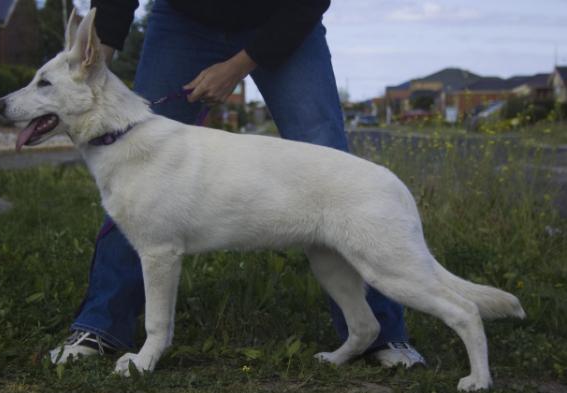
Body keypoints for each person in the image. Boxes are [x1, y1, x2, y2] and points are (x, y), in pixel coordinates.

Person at [51, 0, 425, 368]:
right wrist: (93, 64)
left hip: (282, 16)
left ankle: (379, 333)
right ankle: (101, 325)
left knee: (327, 154)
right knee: (138, 177)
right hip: (182, 21)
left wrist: (236, 67)